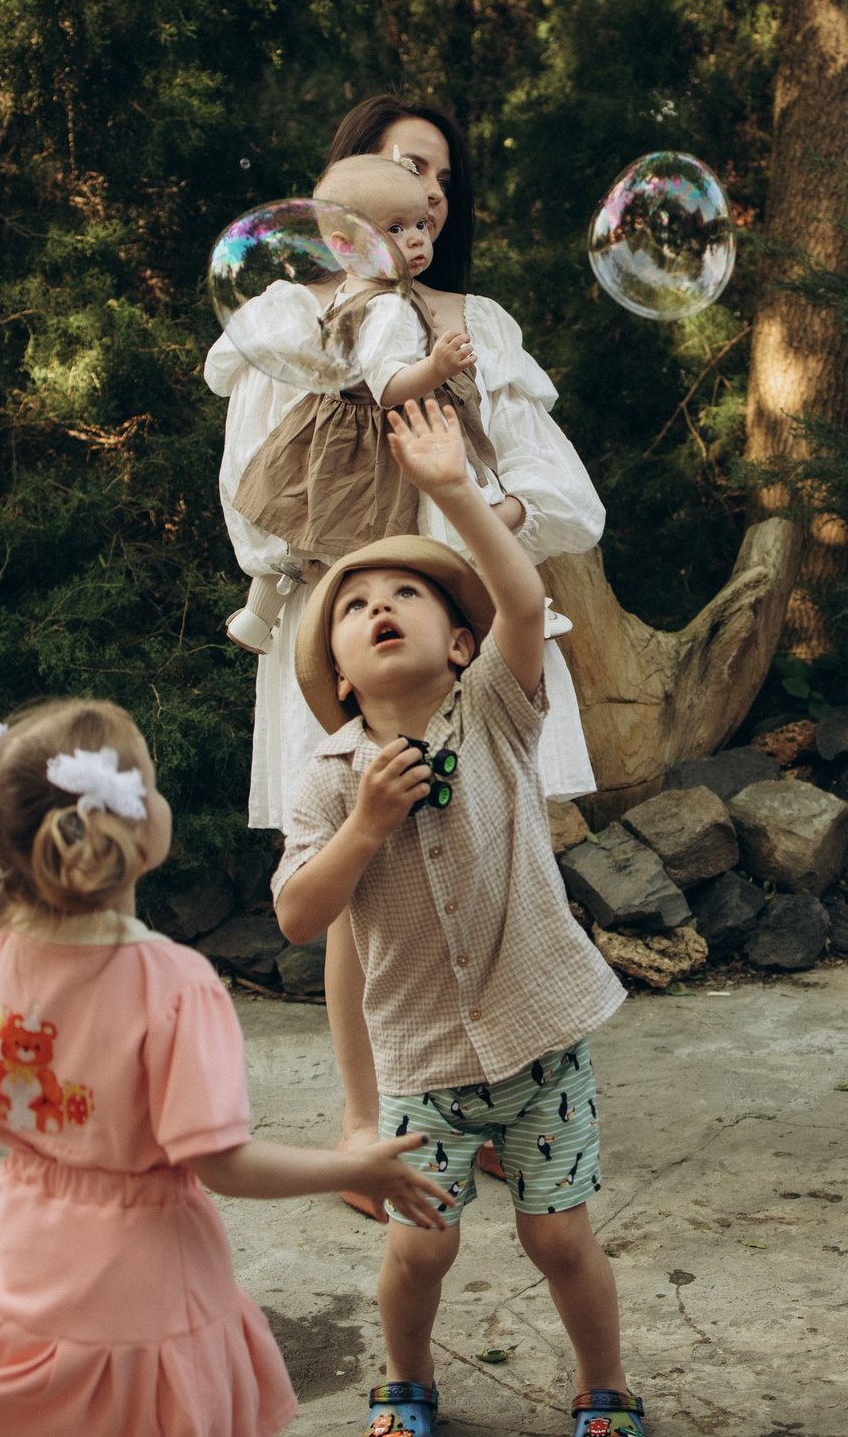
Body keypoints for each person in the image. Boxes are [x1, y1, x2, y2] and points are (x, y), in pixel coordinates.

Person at [0, 698, 453, 1437]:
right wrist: (356, 1167)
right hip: (145, 1288)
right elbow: (219, 1162)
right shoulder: (174, 982)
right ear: (122, 820)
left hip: (24, 1259)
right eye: (152, 785)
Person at [211, 95, 610, 1213]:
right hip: (346, 627)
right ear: (339, 191)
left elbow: (567, 497)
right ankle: (362, 1121)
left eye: (435, 172)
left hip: (464, 628)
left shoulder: (474, 324)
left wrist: (484, 522)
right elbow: (252, 501)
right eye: (395, 164)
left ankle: (485, 1097)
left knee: (488, 852)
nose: (420, 187)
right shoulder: (286, 320)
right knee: (357, 879)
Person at [271, 399, 642, 1437]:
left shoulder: (494, 715)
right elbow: (301, 917)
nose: (379, 606)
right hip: (422, 1068)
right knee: (417, 1250)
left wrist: (450, 491)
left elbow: (525, 601)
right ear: (341, 675)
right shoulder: (329, 782)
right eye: (356, 607)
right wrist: (365, 826)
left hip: (539, 1050)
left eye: (407, 594)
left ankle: (603, 1390)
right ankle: (406, 1384)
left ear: (460, 642)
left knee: (559, 1240)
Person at [218, 153, 500, 654]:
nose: (417, 237)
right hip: (372, 438)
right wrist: (437, 368)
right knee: (375, 539)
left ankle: (257, 619)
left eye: (419, 223)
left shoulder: (354, 287)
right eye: (395, 227)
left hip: (329, 428)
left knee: (301, 532)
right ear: (347, 247)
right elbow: (388, 385)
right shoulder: (390, 306)